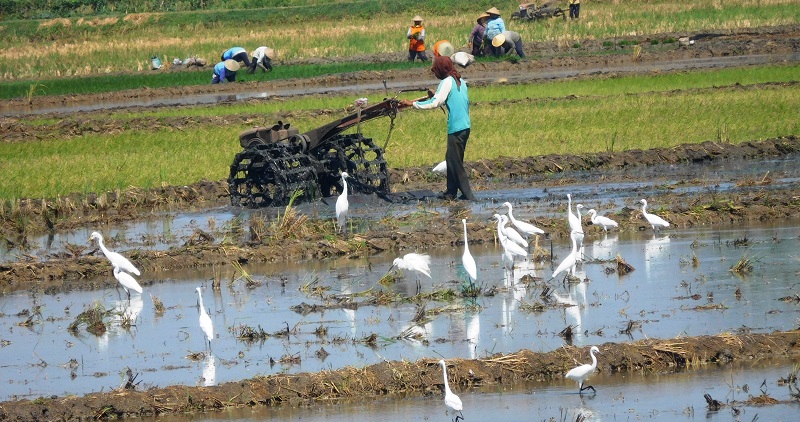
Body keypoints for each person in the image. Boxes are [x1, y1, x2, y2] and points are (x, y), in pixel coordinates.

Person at [400, 56, 475, 201]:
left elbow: (435, 103)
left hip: (456, 127)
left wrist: (411, 104)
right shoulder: (460, 81)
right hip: (465, 126)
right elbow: (447, 98)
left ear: (441, 70)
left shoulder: (446, 82)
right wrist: (436, 95)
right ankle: (450, 193)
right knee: (451, 158)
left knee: (455, 163)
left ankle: (469, 196)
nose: (435, 74)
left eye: (436, 71)